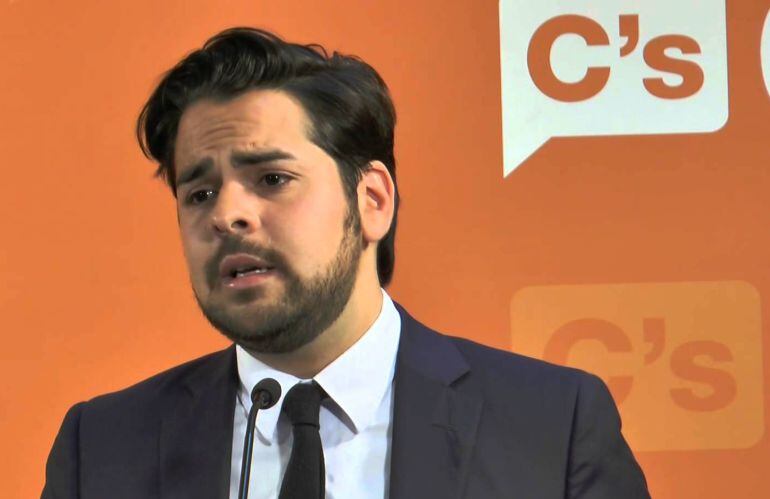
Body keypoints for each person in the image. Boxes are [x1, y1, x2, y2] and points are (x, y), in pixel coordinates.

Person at [42, 27, 650, 499]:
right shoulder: (102, 447)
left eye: (272, 178)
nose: (227, 215)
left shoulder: (550, 425)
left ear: (373, 201)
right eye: (198, 193)